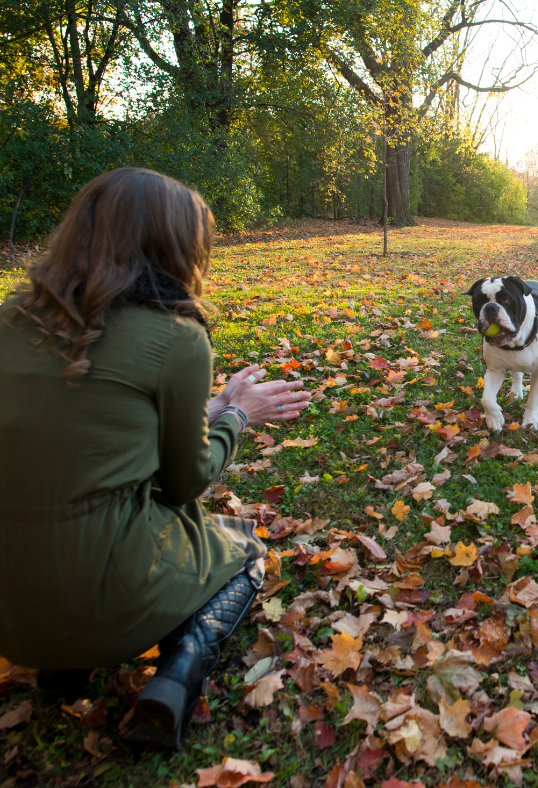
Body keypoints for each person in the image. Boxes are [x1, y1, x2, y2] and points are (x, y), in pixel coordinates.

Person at [0, 168, 310, 749]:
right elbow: (183, 481)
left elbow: (89, 430)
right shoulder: (175, 337)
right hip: (106, 590)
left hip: (10, 615)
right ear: (175, 245)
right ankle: (174, 678)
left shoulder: (11, 323)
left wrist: (213, 404)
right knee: (243, 547)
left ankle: (59, 670)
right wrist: (238, 417)